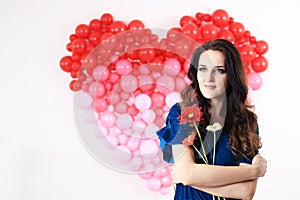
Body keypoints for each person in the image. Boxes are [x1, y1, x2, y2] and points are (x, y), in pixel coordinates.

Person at [156, 39, 267, 200]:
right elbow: (187, 174)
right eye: (203, 69)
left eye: (219, 70)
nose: (209, 78)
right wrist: (253, 171)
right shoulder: (182, 112)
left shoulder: (246, 121)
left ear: (232, 75)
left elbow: (246, 191)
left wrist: (193, 178)